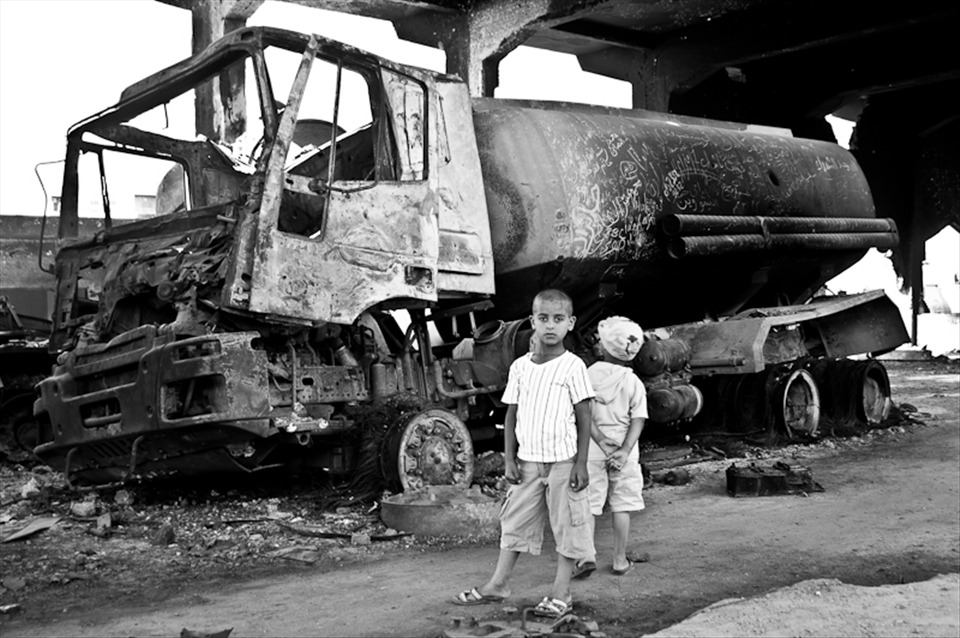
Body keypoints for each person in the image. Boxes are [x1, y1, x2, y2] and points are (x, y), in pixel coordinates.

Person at [452, 288, 596, 618]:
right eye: (543, 318)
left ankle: (561, 592)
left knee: (567, 526)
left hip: (563, 462)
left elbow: (584, 416)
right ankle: (497, 585)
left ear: (571, 323)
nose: (550, 325)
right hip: (528, 463)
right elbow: (511, 415)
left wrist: (582, 463)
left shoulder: (573, 366)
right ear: (532, 322)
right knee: (514, 521)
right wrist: (509, 459)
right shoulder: (520, 368)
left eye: (558, 319)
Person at [573, 316, 647, 578]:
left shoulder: (586, 375)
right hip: (624, 453)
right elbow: (638, 419)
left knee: (590, 505)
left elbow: (582, 414)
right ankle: (619, 559)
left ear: (602, 347)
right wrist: (624, 450)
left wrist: (600, 440)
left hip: (592, 450)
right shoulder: (633, 381)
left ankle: (586, 556)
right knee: (621, 505)